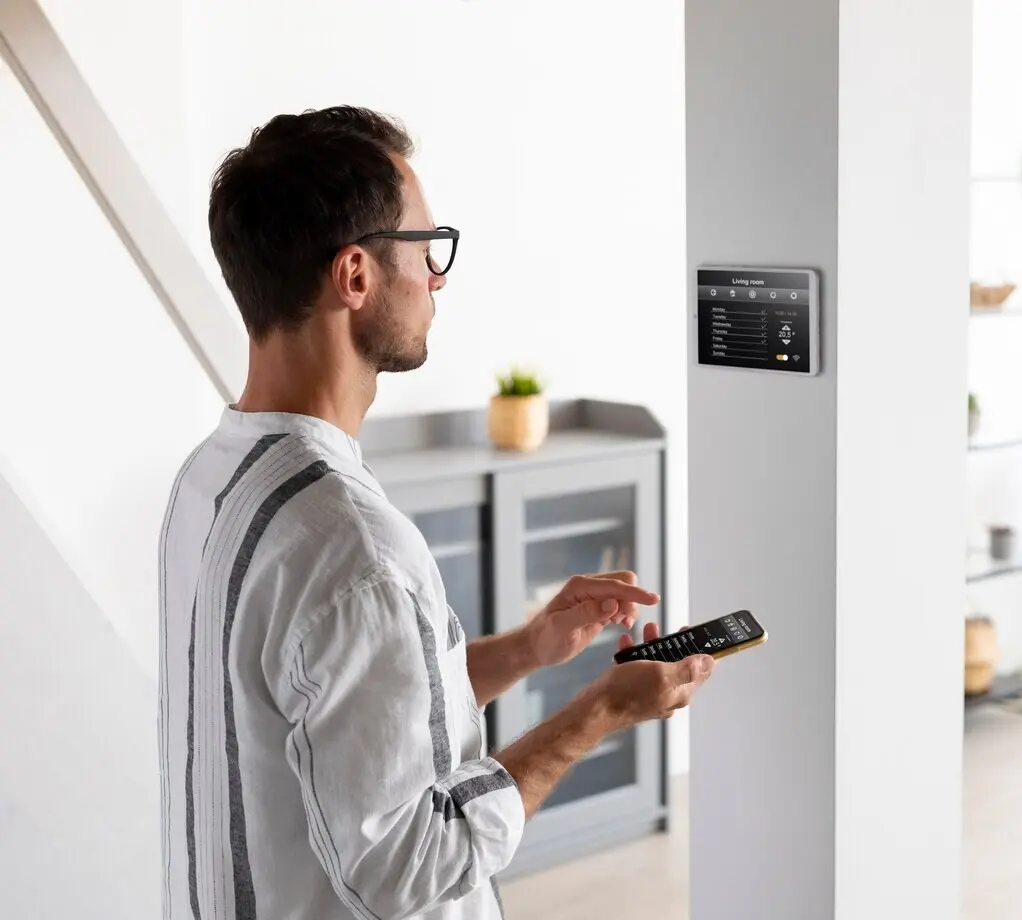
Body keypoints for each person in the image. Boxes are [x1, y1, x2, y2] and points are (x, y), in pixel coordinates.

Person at [157, 105, 716, 920]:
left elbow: (336, 716)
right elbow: (411, 864)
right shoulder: (351, 544)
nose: (439, 276)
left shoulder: (210, 480)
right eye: (426, 247)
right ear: (356, 276)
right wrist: (603, 710)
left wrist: (530, 648)